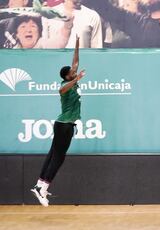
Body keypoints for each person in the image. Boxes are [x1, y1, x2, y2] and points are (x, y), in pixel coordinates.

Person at [31, 36, 86, 207]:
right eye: (72, 72)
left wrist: (77, 44)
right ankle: (44, 188)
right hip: (64, 126)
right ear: (67, 76)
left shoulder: (72, 80)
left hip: (65, 125)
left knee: (53, 153)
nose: (74, 71)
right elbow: (62, 89)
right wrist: (76, 79)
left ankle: (39, 185)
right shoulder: (65, 85)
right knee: (59, 157)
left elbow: (75, 62)